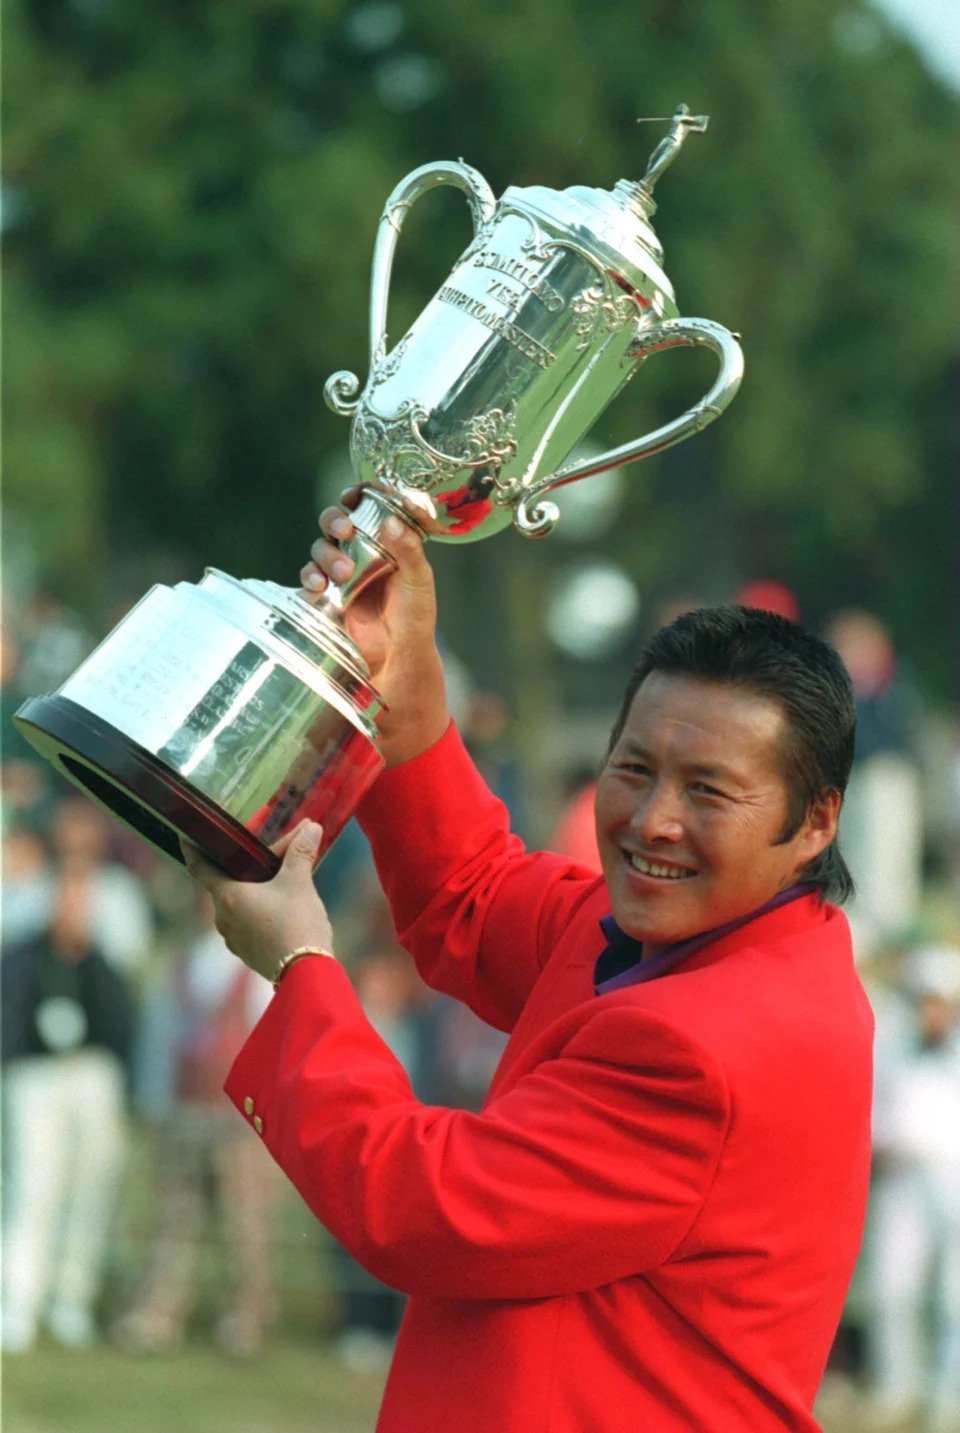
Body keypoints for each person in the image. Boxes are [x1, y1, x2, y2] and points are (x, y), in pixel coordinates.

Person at [183, 498, 874, 1433]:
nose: (653, 819)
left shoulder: (706, 1045)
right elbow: (470, 891)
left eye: (709, 790)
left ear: (818, 819)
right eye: (634, 769)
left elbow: (425, 1204)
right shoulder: (719, 936)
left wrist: (299, 963)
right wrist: (405, 666)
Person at [866, 942, 960, 1432]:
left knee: (952, 1299)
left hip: (954, 1184)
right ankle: (895, 1391)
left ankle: (943, 1397)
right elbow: (877, 1116)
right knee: (892, 1291)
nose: (931, 1010)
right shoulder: (893, 1048)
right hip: (902, 1183)